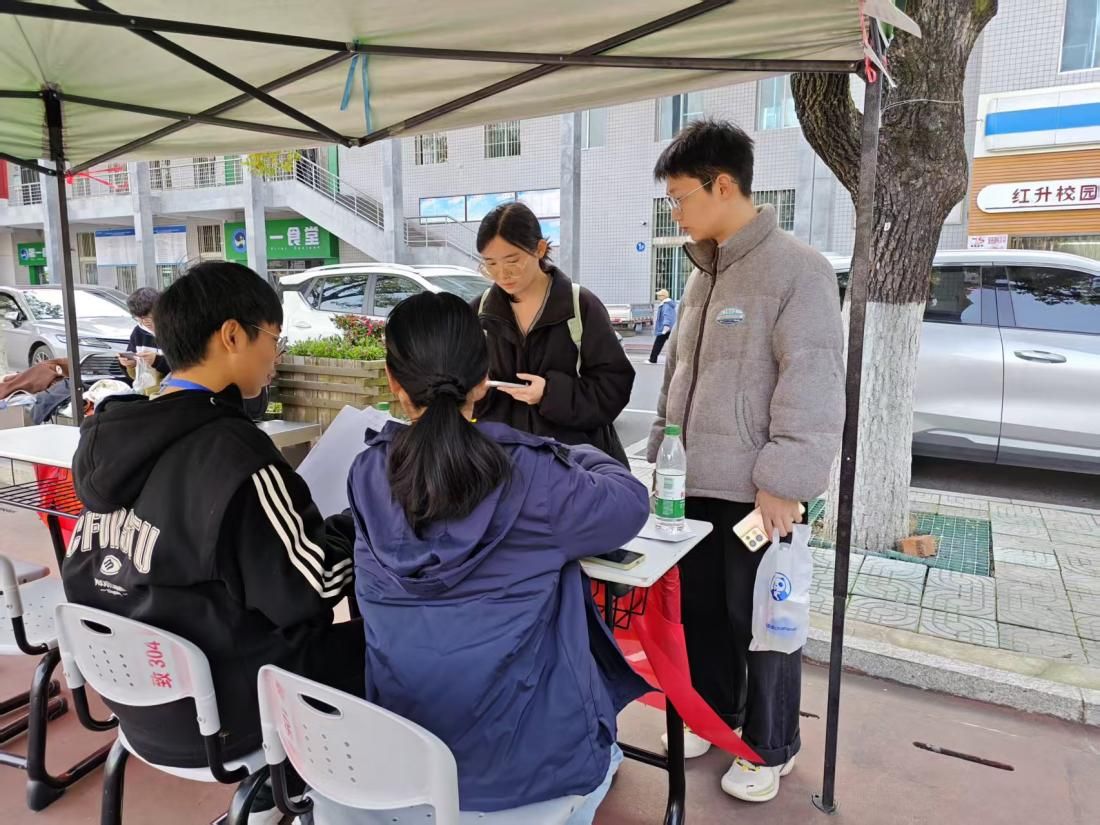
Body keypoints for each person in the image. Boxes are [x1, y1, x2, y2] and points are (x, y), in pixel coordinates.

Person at [63, 262, 363, 822]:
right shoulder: (236, 455)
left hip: (134, 701)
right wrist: (357, 523)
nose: (275, 357)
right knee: (385, 649)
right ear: (232, 335)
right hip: (227, 715)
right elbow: (314, 586)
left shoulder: (108, 439)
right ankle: (312, 793)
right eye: (273, 339)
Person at [345, 291, 650, 820]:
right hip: (531, 772)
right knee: (608, 756)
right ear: (483, 380)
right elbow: (629, 504)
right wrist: (573, 454)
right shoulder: (534, 474)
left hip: (406, 763)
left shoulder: (367, 471)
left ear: (394, 382)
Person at [647, 120, 844, 803]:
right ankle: (716, 715)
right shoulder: (701, 274)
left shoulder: (798, 270)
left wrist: (786, 481)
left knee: (763, 623)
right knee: (702, 613)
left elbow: (813, 382)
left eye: (680, 198)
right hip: (693, 484)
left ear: (722, 185)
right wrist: (660, 455)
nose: (675, 213)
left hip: (760, 495)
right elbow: (677, 375)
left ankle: (768, 745)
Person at [472, 201, 634, 465]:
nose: (502, 274)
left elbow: (614, 387)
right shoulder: (480, 312)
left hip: (571, 467)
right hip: (502, 464)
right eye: (490, 263)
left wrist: (550, 394)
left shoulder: (580, 306)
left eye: (513, 261)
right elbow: (461, 389)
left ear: (539, 249)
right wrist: (475, 392)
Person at [120, 286, 170, 378]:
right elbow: (134, 377)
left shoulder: (175, 330)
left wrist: (157, 361)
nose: (144, 322)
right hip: (147, 386)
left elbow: (186, 367)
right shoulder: (138, 332)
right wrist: (129, 365)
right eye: (139, 317)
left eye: (148, 316)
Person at [648, 288, 677, 364]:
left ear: (663, 296)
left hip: (665, 329)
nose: (658, 297)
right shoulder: (666, 304)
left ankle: (652, 359)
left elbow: (667, 316)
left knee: (658, 344)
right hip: (669, 328)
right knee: (674, 344)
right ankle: (653, 359)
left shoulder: (666, 305)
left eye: (659, 295)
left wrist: (666, 326)